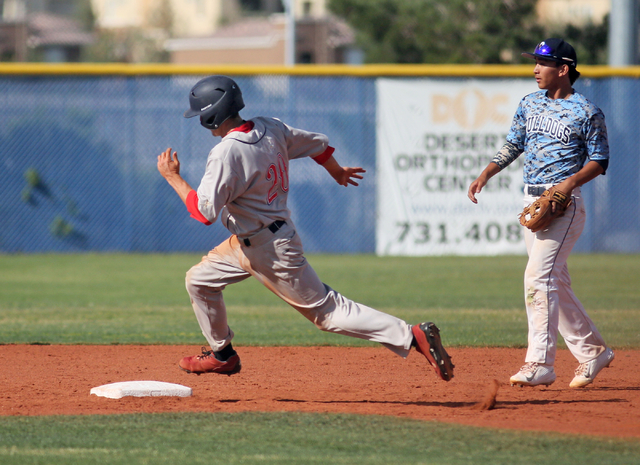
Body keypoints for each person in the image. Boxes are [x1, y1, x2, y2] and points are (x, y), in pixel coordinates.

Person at [157, 75, 454, 382]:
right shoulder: (269, 127)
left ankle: (410, 335)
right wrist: (336, 171)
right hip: (247, 241)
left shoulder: (225, 152)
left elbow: (203, 213)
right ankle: (222, 356)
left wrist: (172, 177)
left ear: (210, 115)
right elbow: (317, 144)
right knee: (199, 281)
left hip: (271, 250)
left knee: (327, 313)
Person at [468, 39, 614, 388]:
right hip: (532, 204)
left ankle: (540, 363)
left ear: (563, 70)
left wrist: (570, 182)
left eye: (542, 63)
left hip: (564, 206)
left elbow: (600, 159)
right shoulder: (529, 103)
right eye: (534, 62)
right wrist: (487, 172)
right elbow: (514, 143)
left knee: (537, 279)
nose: (535, 69)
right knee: (554, 283)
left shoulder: (586, 111)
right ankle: (593, 351)